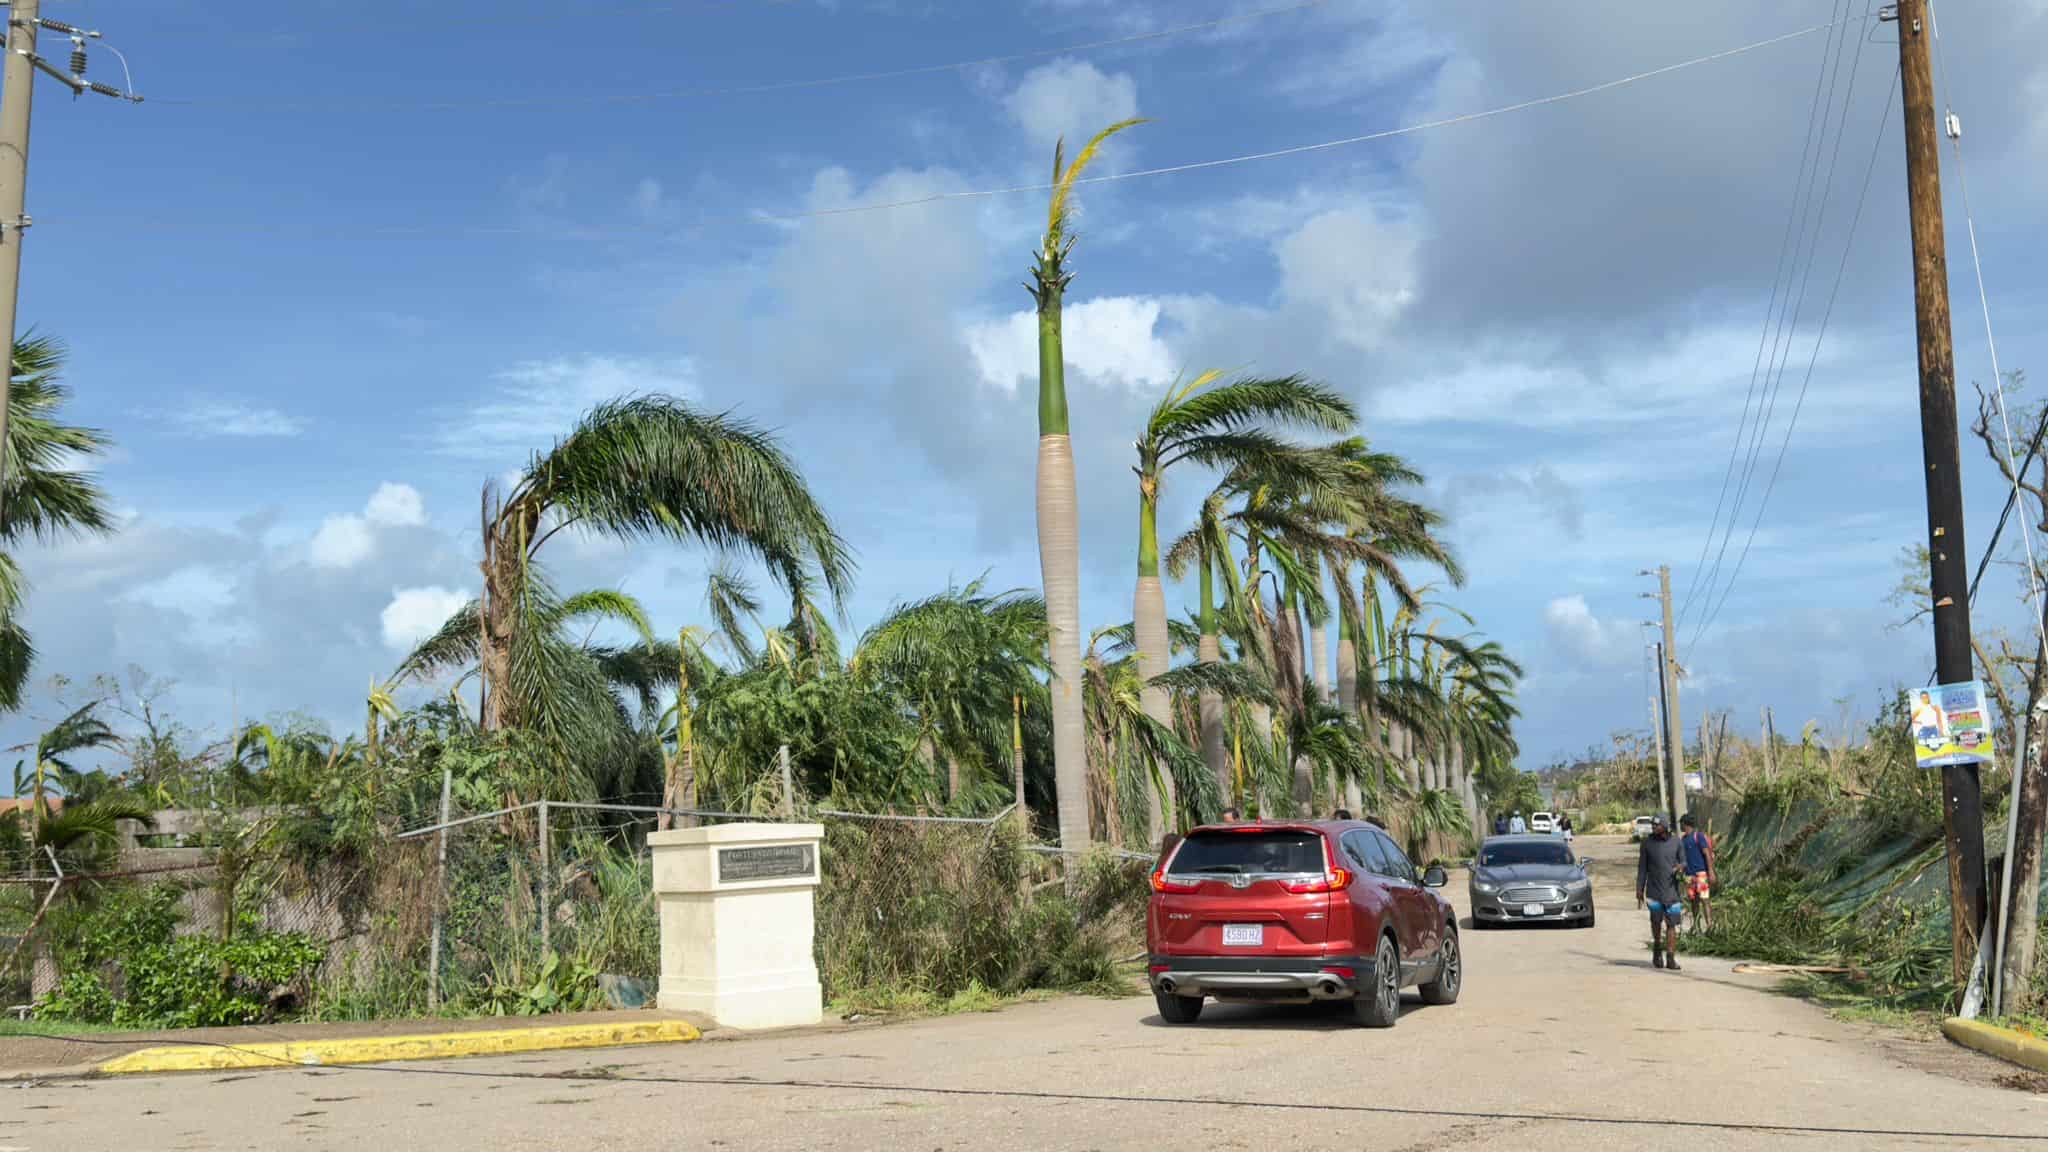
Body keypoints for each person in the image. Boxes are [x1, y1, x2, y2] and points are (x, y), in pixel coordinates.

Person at [1637, 813, 1687, 970]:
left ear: (1664, 826)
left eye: (1656, 825)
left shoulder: (1677, 842)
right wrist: (1639, 888)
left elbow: (1684, 861)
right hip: (1653, 892)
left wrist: (1680, 867)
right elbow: (1642, 868)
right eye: (1652, 825)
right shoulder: (1647, 843)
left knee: (1671, 925)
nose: (1653, 827)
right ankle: (1657, 950)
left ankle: (1671, 957)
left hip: (1672, 892)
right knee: (1656, 922)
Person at [1679, 812, 1716, 934]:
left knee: (1705, 900)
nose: (1680, 826)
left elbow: (1707, 854)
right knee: (1693, 901)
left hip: (1701, 875)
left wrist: (1711, 872)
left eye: (1681, 823)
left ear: (1685, 824)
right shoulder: (1683, 839)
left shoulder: (1698, 836)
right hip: (1690, 876)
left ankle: (1709, 926)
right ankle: (1696, 926)